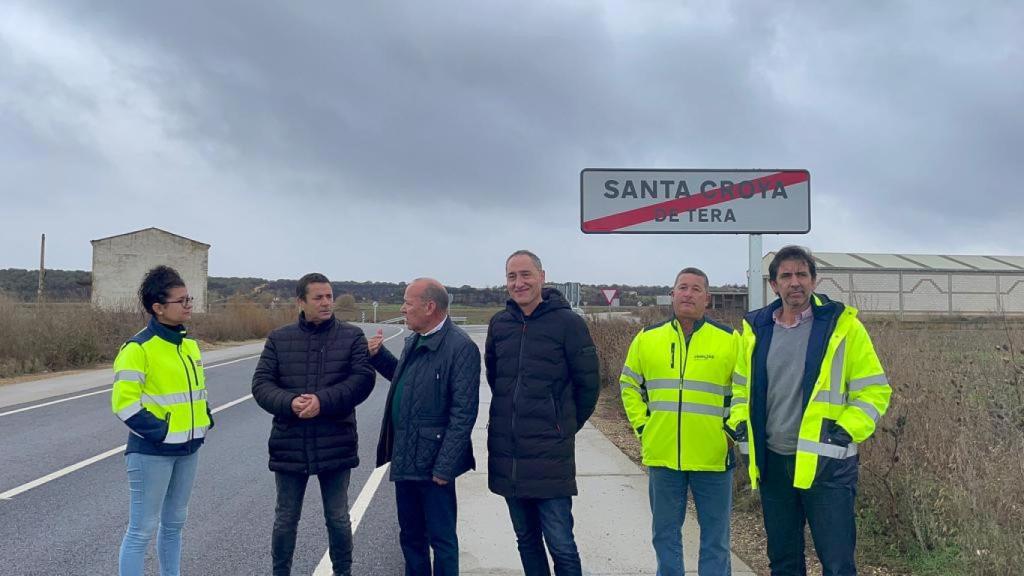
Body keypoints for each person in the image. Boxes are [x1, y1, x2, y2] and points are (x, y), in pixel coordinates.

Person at [726, 246, 892, 576]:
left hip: (827, 466)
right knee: (784, 562)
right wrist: (740, 423)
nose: (795, 282)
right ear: (774, 285)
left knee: (837, 563)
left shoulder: (843, 328)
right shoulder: (755, 330)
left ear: (814, 281)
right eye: (786, 276)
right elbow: (740, 389)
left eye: (802, 274)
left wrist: (843, 431)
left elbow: (875, 390)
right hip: (773, 464)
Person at [485, 249, 600, 576]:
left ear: (542, 277)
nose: (519, 283)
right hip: (509, 453)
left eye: (525, 275)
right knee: (526, 540)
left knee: (562, 544)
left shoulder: (569, 324)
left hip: (550, 456)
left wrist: (560, 426)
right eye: (512, 276)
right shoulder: (499, 324)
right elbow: (497, 378)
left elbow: (588, 386)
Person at [251, 273, 375, 576]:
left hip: (336, 440)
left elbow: (362, 380)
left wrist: (322, 401)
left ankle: (342, 572)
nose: (326, 303)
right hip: (290, 442)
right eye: (318, 297)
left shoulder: (352, 336)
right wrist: (290, 403)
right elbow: (261, 385)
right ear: (301, 302)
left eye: (329, 296)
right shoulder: (279, 339)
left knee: (337, 517)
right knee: (285, 518)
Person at [619, 267, 740, 576]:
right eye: (682, 288)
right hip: (663, 456)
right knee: (665, 535)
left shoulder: (730, 340)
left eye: (696, 289)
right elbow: (629, 385)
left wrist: (730, 430)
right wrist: (643, 427)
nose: (688, 294)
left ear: (707, 298)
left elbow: (745, 390)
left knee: (716, 539)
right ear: (672, 294)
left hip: (713, 457)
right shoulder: (647, 338)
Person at [366, 278, 480, 576]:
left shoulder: (460, 347)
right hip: (406, 457)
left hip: (434, 467)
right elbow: (407, 381)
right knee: (411, 538)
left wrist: (445, 467)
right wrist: (379, 357)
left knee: (442, 541)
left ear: (430, 307)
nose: (403, 309)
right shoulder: (413, 340)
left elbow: (463, 413)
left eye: (408, 303)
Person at [111, 265, 212, 576]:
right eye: (180, 301)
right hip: (152, 452)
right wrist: (162, 433)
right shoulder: (137, 348)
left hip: (189, 449)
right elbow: (124, 405)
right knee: (141, 530)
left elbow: (194, 395)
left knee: (174, 526)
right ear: (158, 308)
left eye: (189, 298)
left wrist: (204, 419)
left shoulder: (189, 346)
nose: (188, 304)